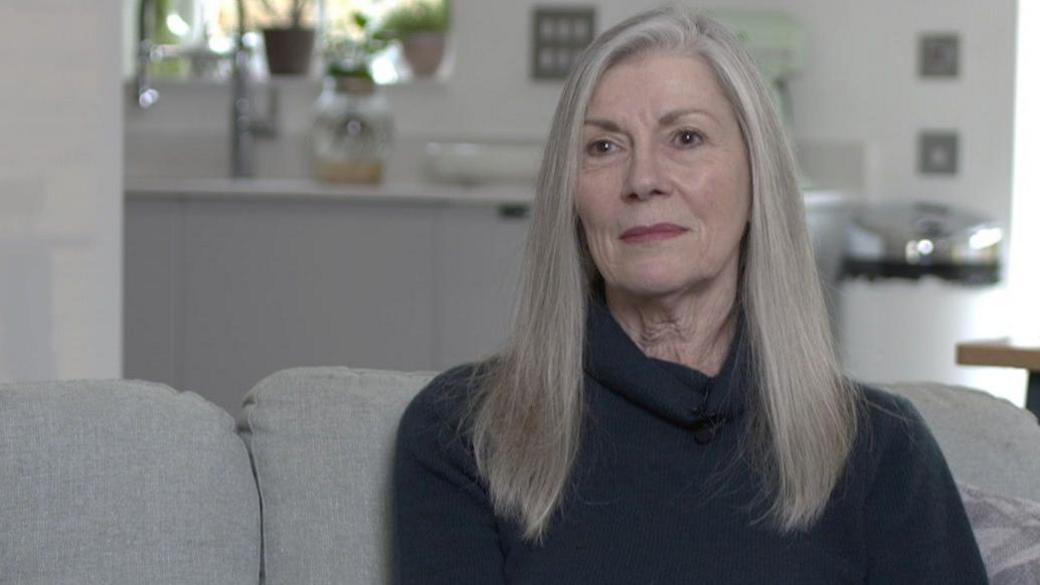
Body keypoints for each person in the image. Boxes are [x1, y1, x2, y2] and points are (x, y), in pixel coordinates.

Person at [392, 6, 988, 584]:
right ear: (568, 196)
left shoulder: (881, 449)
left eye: (686, 137)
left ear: (758, 178)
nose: (643, 179)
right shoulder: (466, 432)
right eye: (603, 146)